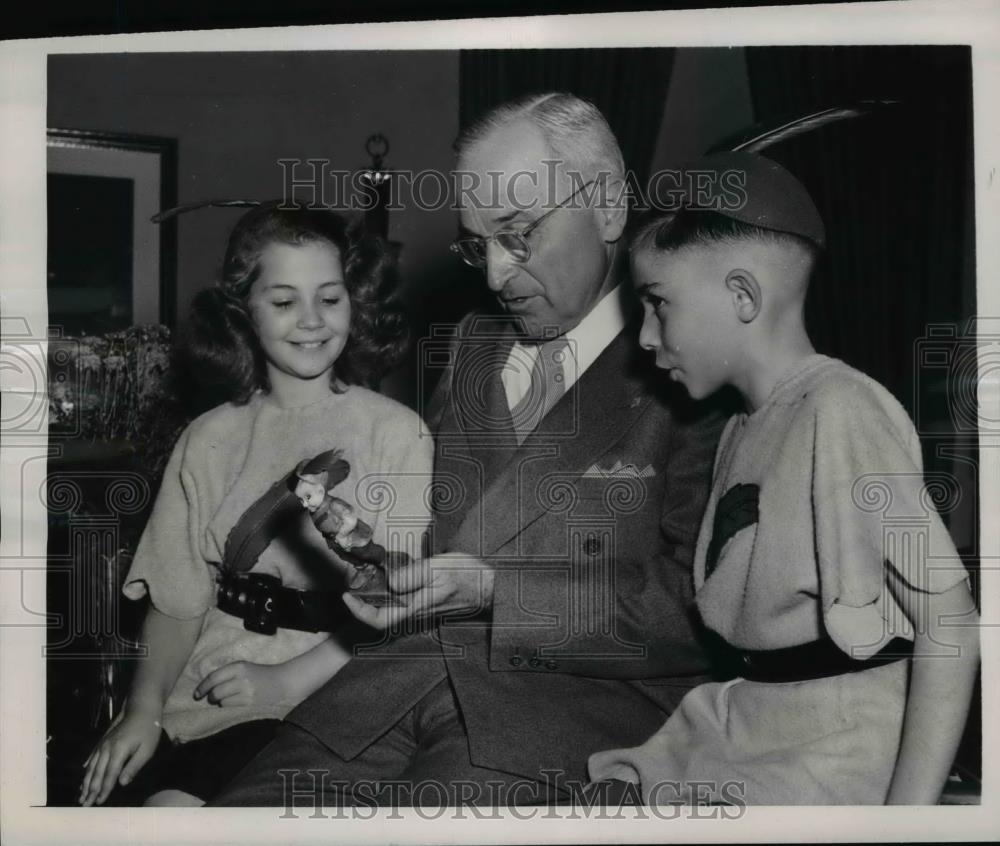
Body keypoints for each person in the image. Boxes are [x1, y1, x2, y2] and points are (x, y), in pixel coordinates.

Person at [211, 93, 725, 808]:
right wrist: (384, 568)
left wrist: (496, 593)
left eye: (518, 235)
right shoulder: (471, 347)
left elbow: (701, 609)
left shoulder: (695, 358)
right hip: (385, 691)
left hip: (565, 713)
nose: (494, 277)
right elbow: (439, 539)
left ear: (608, 205)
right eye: (477, 245)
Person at [587, 152, 980, 805]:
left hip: (834, 739)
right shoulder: (741, 426)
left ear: (742, 296)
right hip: (748, 717)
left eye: (658, 305)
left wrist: (907, 821)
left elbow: (952, 624)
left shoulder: (844, 408)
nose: (647, 339)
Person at [79, 204, 433, 807]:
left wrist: (282, 679)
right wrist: (141, 710)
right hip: (213, 685)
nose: (312, 321)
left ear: (357, 302)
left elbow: (396, 604)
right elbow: (178, 600)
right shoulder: (208, 437)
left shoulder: (396, 433)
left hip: (338, 687)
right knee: (162, 812)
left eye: (330, 297)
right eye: (284, 300)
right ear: (245, 312)